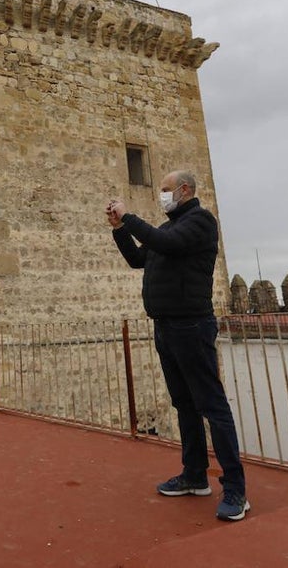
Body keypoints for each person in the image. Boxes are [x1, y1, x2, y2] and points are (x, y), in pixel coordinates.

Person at [106, 170, 249, 522]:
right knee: (184, 403)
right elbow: (139, 259)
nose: (162, 195)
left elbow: (165, 244)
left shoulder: (200, 222)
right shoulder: (167, 229)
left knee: (212, 406)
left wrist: (129, 216)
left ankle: (235, 489)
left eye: (166, 190)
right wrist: (119, 229)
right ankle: (194, 475)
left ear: (185, 190)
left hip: (192, 325)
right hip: (166, 327)